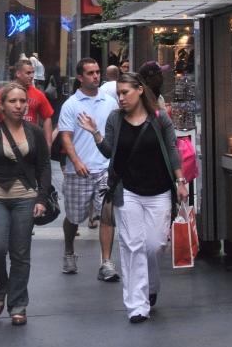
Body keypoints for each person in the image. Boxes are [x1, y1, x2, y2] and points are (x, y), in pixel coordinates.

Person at [77, 71, 187, 322]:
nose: (120, 98)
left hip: (159, 190)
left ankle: (151, 286)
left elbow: (171, 150)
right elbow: (109, 152)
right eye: (118, 94)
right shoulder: (115, 119)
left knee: (155, 245)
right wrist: (95, 133)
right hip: (127, 191)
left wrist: (180, 181)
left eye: (124, 93)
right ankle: (137, 305)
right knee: (132, 247)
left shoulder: (160, 118)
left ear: (139, 90)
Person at [0, 82, 51, 325]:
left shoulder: (34, 131)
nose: (18, 105)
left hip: (25, 197)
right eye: (13, 101)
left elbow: (44, 167)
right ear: (1, 106)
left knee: (20, 253)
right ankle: (0, 289)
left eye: (22, 101)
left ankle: (18, 305)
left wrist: (42, 198)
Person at [57, 57, 120, 281]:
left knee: (106, 216)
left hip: (104, 169)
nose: (96, 76)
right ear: (80, 78)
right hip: (79, 171)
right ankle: (68, 252)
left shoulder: (110, 103)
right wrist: (76, 162)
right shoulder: (71, 105)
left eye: (97, 72)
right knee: (74, 217)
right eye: (91, 73)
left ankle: (106, 262)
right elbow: (66, 136)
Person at [0, 56, 53, 148]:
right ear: (18, 73)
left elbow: (47, 117)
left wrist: (48, 143)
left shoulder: (38, 94)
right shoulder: (3, 93)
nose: (32, 76)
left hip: (29, 141)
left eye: (33, 72)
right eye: (28, 73)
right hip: (5, 140)